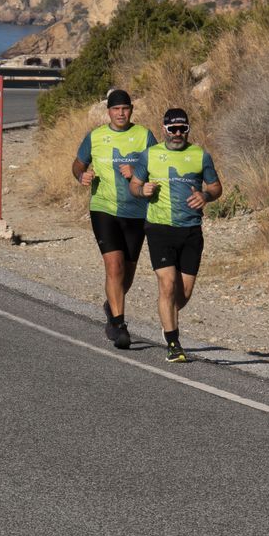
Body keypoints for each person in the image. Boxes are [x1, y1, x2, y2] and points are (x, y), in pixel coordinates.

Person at [125, 107, 221, 362]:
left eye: (183, 129)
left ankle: (166, 311)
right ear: (164, 129)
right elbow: (134, 185)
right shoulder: (150, 155)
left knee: (183, 294)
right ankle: (173, 342)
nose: (177, 134)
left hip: (191, 230)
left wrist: (205, 196)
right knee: (167, 285)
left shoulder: (200, 155)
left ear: (188, 130)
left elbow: (215, 187)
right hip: (159, 228)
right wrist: (141, 190)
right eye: (173, 129)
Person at [73, 88, 156, 348]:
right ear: (108, 111)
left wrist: (137, 171)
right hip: (104, 208)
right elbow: (78, 163)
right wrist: (81, 175)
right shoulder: (96, 136)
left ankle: (111, 306)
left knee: (127, 275)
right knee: (114, 267)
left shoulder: (144, 136)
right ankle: (119, 325)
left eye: (125, 109)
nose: (121, 113)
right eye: (116, 109)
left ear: (131, 110)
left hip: (137, 211)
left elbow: (158, 167)